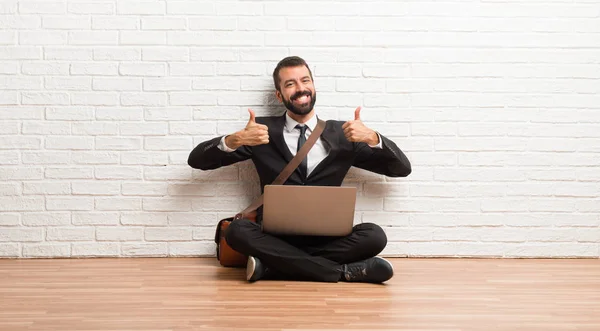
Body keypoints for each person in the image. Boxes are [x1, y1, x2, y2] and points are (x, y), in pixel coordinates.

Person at [188, 56, 411, 283]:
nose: (300, 88)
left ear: (313, 86)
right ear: (279, 95)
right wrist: (234, 140)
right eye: (290, 84)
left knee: (374, 236)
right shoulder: (261, 132)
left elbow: (401, 169)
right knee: (238, 231)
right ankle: (343, 272)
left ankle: (273, 267)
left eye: (305, 80)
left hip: (327, 238)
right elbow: (197, 160)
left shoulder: (344, 134)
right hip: (274, 236)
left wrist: (374, 138)